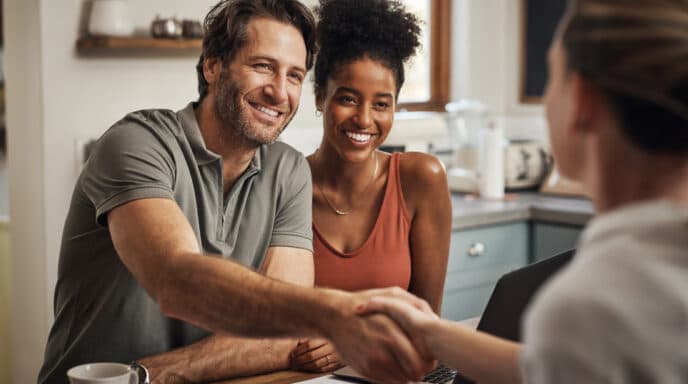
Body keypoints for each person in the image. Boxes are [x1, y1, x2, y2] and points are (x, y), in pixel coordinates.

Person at [37, 1, 430, 383]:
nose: (279, 92)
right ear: (213, 65)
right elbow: (176, 281)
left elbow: (283, 334)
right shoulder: (136, 144)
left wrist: (149, 375)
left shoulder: (288, 171)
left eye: (294, 75)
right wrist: (334, 312)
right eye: (263, 66)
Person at [359, 0, 688, 382]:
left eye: (551, 79)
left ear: (580, 101)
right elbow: (550, 369)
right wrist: (431, 334)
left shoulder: (589, 307)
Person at [289, 0, 452, 373]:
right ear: (319, 97)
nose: (364, 120)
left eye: (382, 104)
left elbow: (427, 325)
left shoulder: (421, 180)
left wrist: (348, 343)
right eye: (347, 98)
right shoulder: (286, 184)